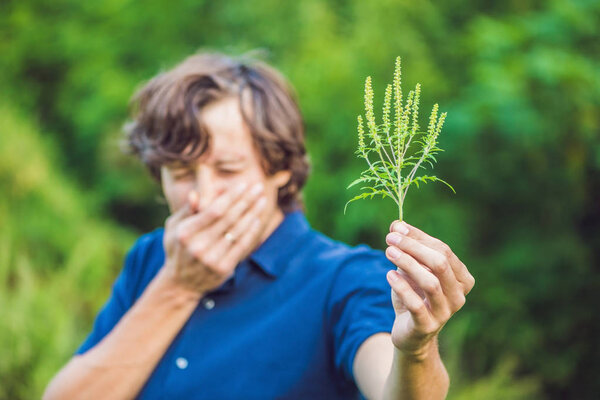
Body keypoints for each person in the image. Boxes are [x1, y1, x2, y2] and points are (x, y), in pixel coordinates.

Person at [43, 52, 475, 400]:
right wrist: (177, 286)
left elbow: (389, 386)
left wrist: (415, 349)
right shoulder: (151, 258)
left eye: (227, 170)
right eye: (180, 172)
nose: (202, 197)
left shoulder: (342, 279)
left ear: (281, 169)